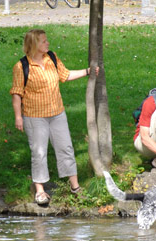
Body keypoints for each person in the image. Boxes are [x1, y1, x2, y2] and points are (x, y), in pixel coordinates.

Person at [10, 29, 96, 205]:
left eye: (46, 40)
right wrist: (18, 117)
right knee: (39, 152)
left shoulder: (52, 57)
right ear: (33, 44)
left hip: (57, 113)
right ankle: (40, 191)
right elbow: (17, 94)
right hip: (34, 116)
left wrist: (87, 71)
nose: (47, 43)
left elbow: (65, 75)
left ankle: (75, 187)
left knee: (66, 148)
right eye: (43, 41)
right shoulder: (21, 66)